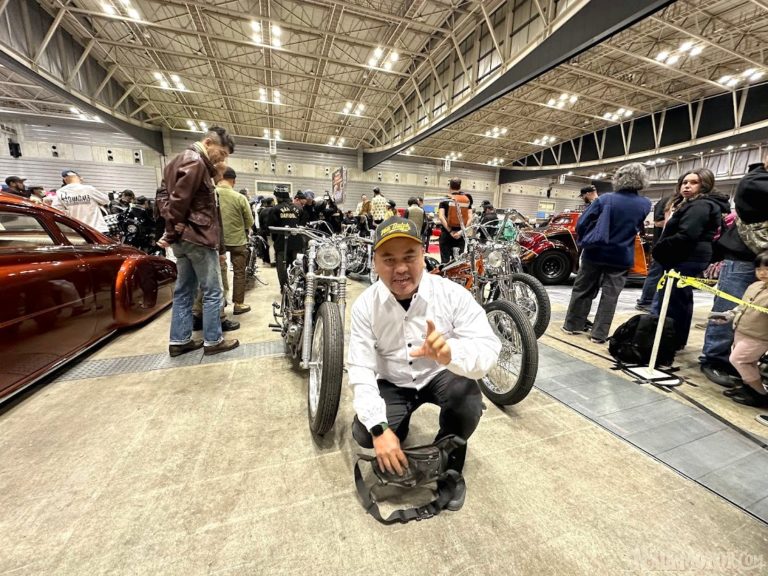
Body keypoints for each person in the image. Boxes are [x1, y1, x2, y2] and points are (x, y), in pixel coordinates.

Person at [348, 216, 501, 511]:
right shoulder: (365, 306)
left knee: (467, 400)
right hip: (393, 380)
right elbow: (360, 367)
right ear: (374, 262)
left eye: (409, 257)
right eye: (388, 259)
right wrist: (379, 429)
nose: (400, 268)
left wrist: (450, 353)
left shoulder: (452, 294)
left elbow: (488, 347)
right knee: (364, 433)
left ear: (423, 255)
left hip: (440, 374)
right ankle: (398, 427)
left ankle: (450, 468)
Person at [160, 126, 239, 357]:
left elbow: (163, 197)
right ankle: (213, 341)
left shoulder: (178, 161)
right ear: (208, 143)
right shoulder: (195, 162)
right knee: (213, 291)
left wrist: (173, 230)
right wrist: (175, 228)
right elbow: (179, 200)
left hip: (185, 238)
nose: (222, 159)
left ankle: (179, 340)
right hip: (198, 237)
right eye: (221, 153)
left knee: (184, 291)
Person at [562, 163, 652, 344]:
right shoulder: (645, 204)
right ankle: (599, 334)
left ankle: (572, 325)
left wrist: (588, 237)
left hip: (595, 253)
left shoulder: (605, 199)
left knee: (583, 290)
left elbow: (581, 224)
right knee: (610, 296)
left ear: (618, 178)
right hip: (621, 256)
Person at [701, 157, 768, 386]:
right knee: (727, 309)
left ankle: (744, 360)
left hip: (759, 259)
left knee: (756, 316)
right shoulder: (754, 181)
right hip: (744, 259)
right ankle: (714, 359)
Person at [651, 168, 730, 349]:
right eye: (685, 182)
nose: (687, 186)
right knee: (681, 299)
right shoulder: (698, 204)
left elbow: (687, 235)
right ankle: (675, 340)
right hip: (689, 256)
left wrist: (659, 249)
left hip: (685, 257)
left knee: (672, 302)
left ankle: (667, 342)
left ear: (705, 185)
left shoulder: (700, 206)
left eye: (694, 183)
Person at [717, 251, 768, 407]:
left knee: (738, 360)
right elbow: (742, 306)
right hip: (741, 331)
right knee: (748, 362)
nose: (762, 272)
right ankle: (749, 388)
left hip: (759, 337)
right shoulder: (754, 286)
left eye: (767, 269)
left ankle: (760, 393)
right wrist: (729, 315)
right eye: (758, 269)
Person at [636, 182, 682, 312]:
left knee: (665, 276)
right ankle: (646, 301)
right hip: (662, 245)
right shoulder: (667, 201)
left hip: (675, 247)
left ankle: (657, 302)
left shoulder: (684, 203)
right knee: (656, 274)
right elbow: (657, 222)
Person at [217, 167, 254, 315]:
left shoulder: (212, 194)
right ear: (233, 181)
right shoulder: (240, 197)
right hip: (237, 240)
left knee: (219, 272)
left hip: (216, 240)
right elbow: (249, 221)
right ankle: (238, 304)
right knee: (239, 272)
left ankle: (220, 304)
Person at [52, 170, 110, 234]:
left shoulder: (60, 192)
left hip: (78, 230)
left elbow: (56, 210)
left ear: (65, 180)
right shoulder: (88, 189)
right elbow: (105, 200)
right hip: (97, 228)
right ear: (79, 178)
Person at [268, 185, 303, 288]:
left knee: (282, 268)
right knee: (297, 267)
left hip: (281, 243)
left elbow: (270, 227)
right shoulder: (299, 209)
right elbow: (302, 225)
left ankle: (284, 289)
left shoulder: (275, 209)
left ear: (278, 196)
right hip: (297, 242)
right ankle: (296, 288)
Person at [438, 178, 471, 263]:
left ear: (450, 186)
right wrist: (461, 232)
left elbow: (441, 216)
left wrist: (450, 231)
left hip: (446, 234)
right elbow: (470, 218)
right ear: (460, 186)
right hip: (460, 235)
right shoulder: (466, 199)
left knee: (445, 262)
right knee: (457, 263)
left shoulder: (445, 199)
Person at [258, 197, 275, 265]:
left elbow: (260, 222)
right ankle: (272, 260)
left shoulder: (262, 211)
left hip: (264, 231)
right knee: (272, 245)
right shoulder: (274, 210)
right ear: (272, 202)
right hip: (272, 231)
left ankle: (266, 260)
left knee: (265, 246)